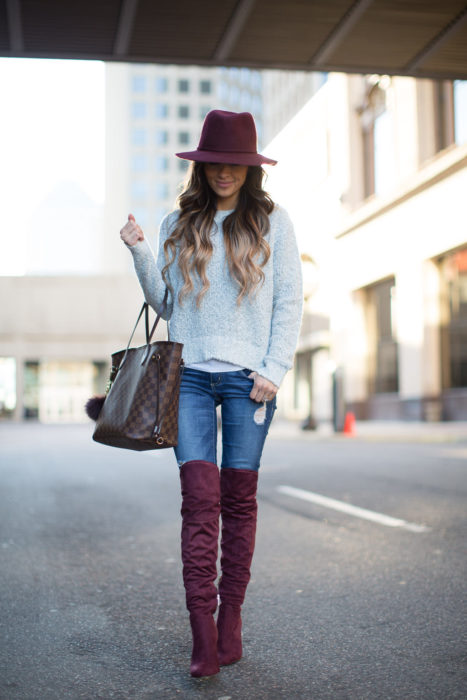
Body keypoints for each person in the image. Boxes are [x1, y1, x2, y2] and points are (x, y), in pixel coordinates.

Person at [120, 110, 303, 677]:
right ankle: (202, 633)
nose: (225, 172)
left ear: (250, 169)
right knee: (199, 501)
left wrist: (274, 367)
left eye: (236, 163)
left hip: (251, 381)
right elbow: (168, 305)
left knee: (239, 502)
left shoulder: (275, 224)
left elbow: (289, 301)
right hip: (191, 377)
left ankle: (232, 622)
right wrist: (140, 253)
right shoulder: (180, 221)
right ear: (202, 166)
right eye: (215, 162)